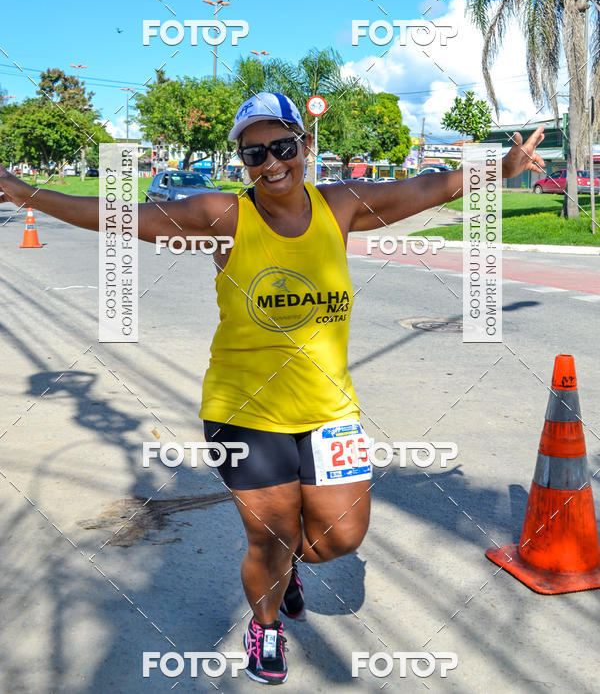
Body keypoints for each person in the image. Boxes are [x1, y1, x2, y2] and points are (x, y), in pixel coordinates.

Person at [0, 94, 545, 685]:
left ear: (304, 147)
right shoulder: (223, 216)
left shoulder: (340, 205)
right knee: (271, 539)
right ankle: (266, 625)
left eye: (282, 146)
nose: (271, 161)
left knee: (339, 539)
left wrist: (502, 169)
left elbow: (426, 187)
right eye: (253, 152)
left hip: (330, 411)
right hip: (246, 412)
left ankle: (290, 570)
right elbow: (115, 213)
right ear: (242, 160)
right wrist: (17, 188)